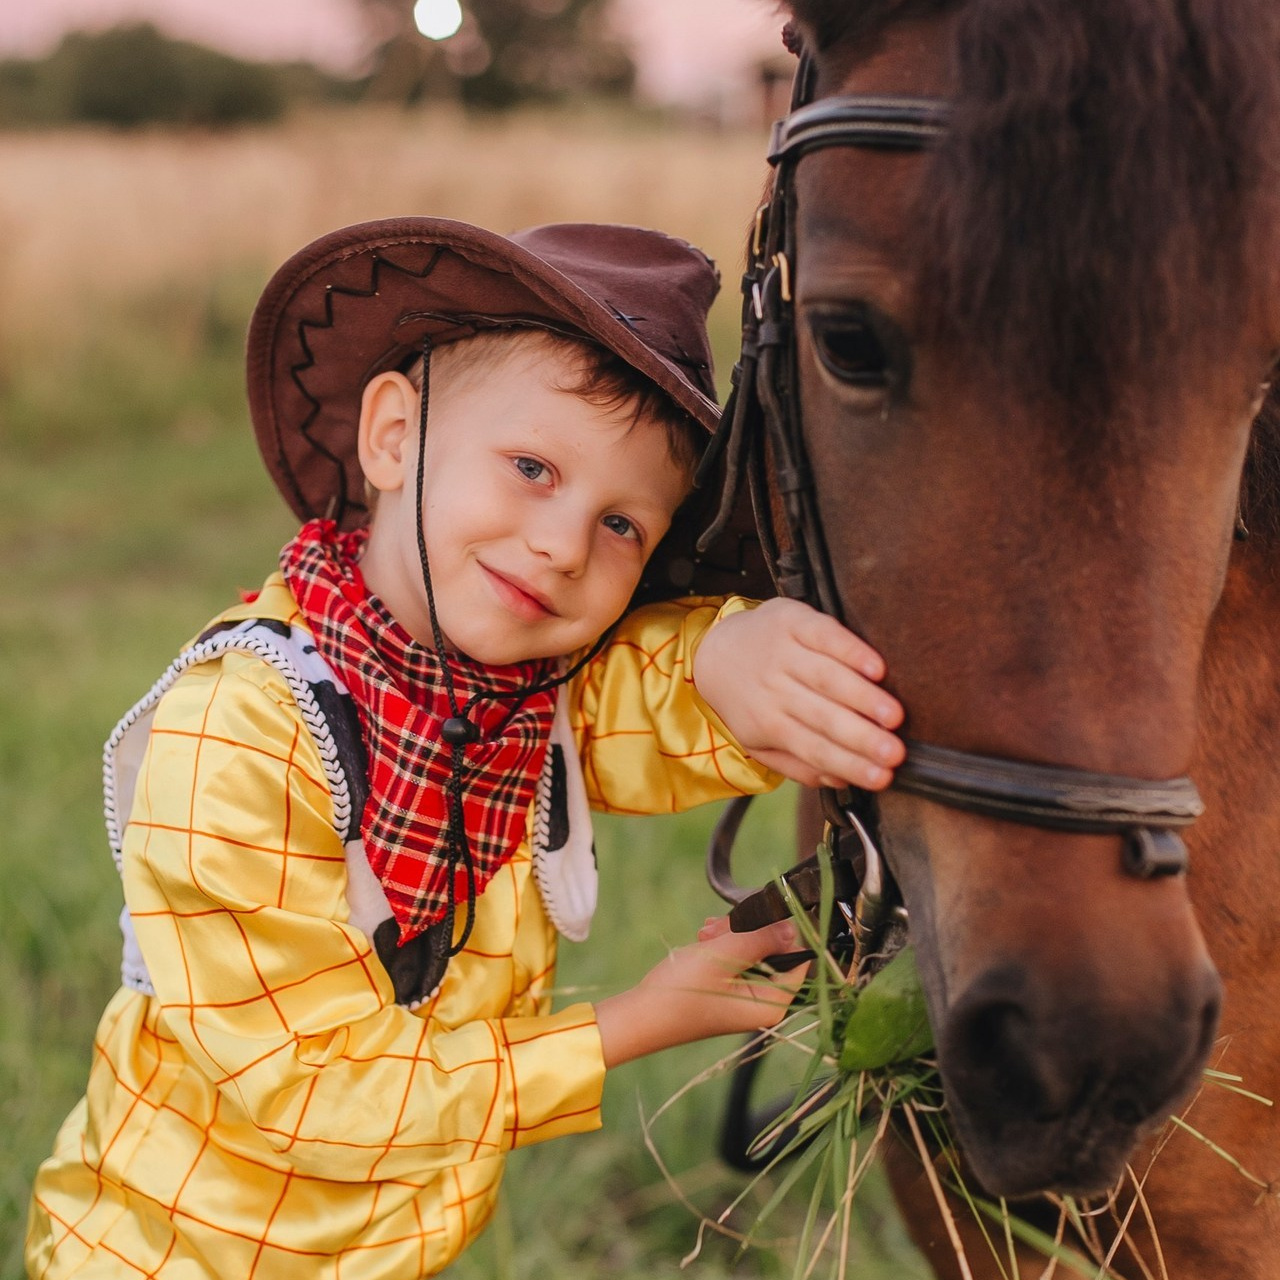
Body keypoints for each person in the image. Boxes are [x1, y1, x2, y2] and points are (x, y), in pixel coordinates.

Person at [27, 217, 904, 1279]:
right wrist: (625, 1026)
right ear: (394, 436)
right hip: (168, 1256)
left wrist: (732, 655)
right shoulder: (244, 730)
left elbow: (647, 698)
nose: (562, 545)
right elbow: (306, 1092)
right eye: (532, 466)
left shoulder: (519, 702)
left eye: (623, 525)